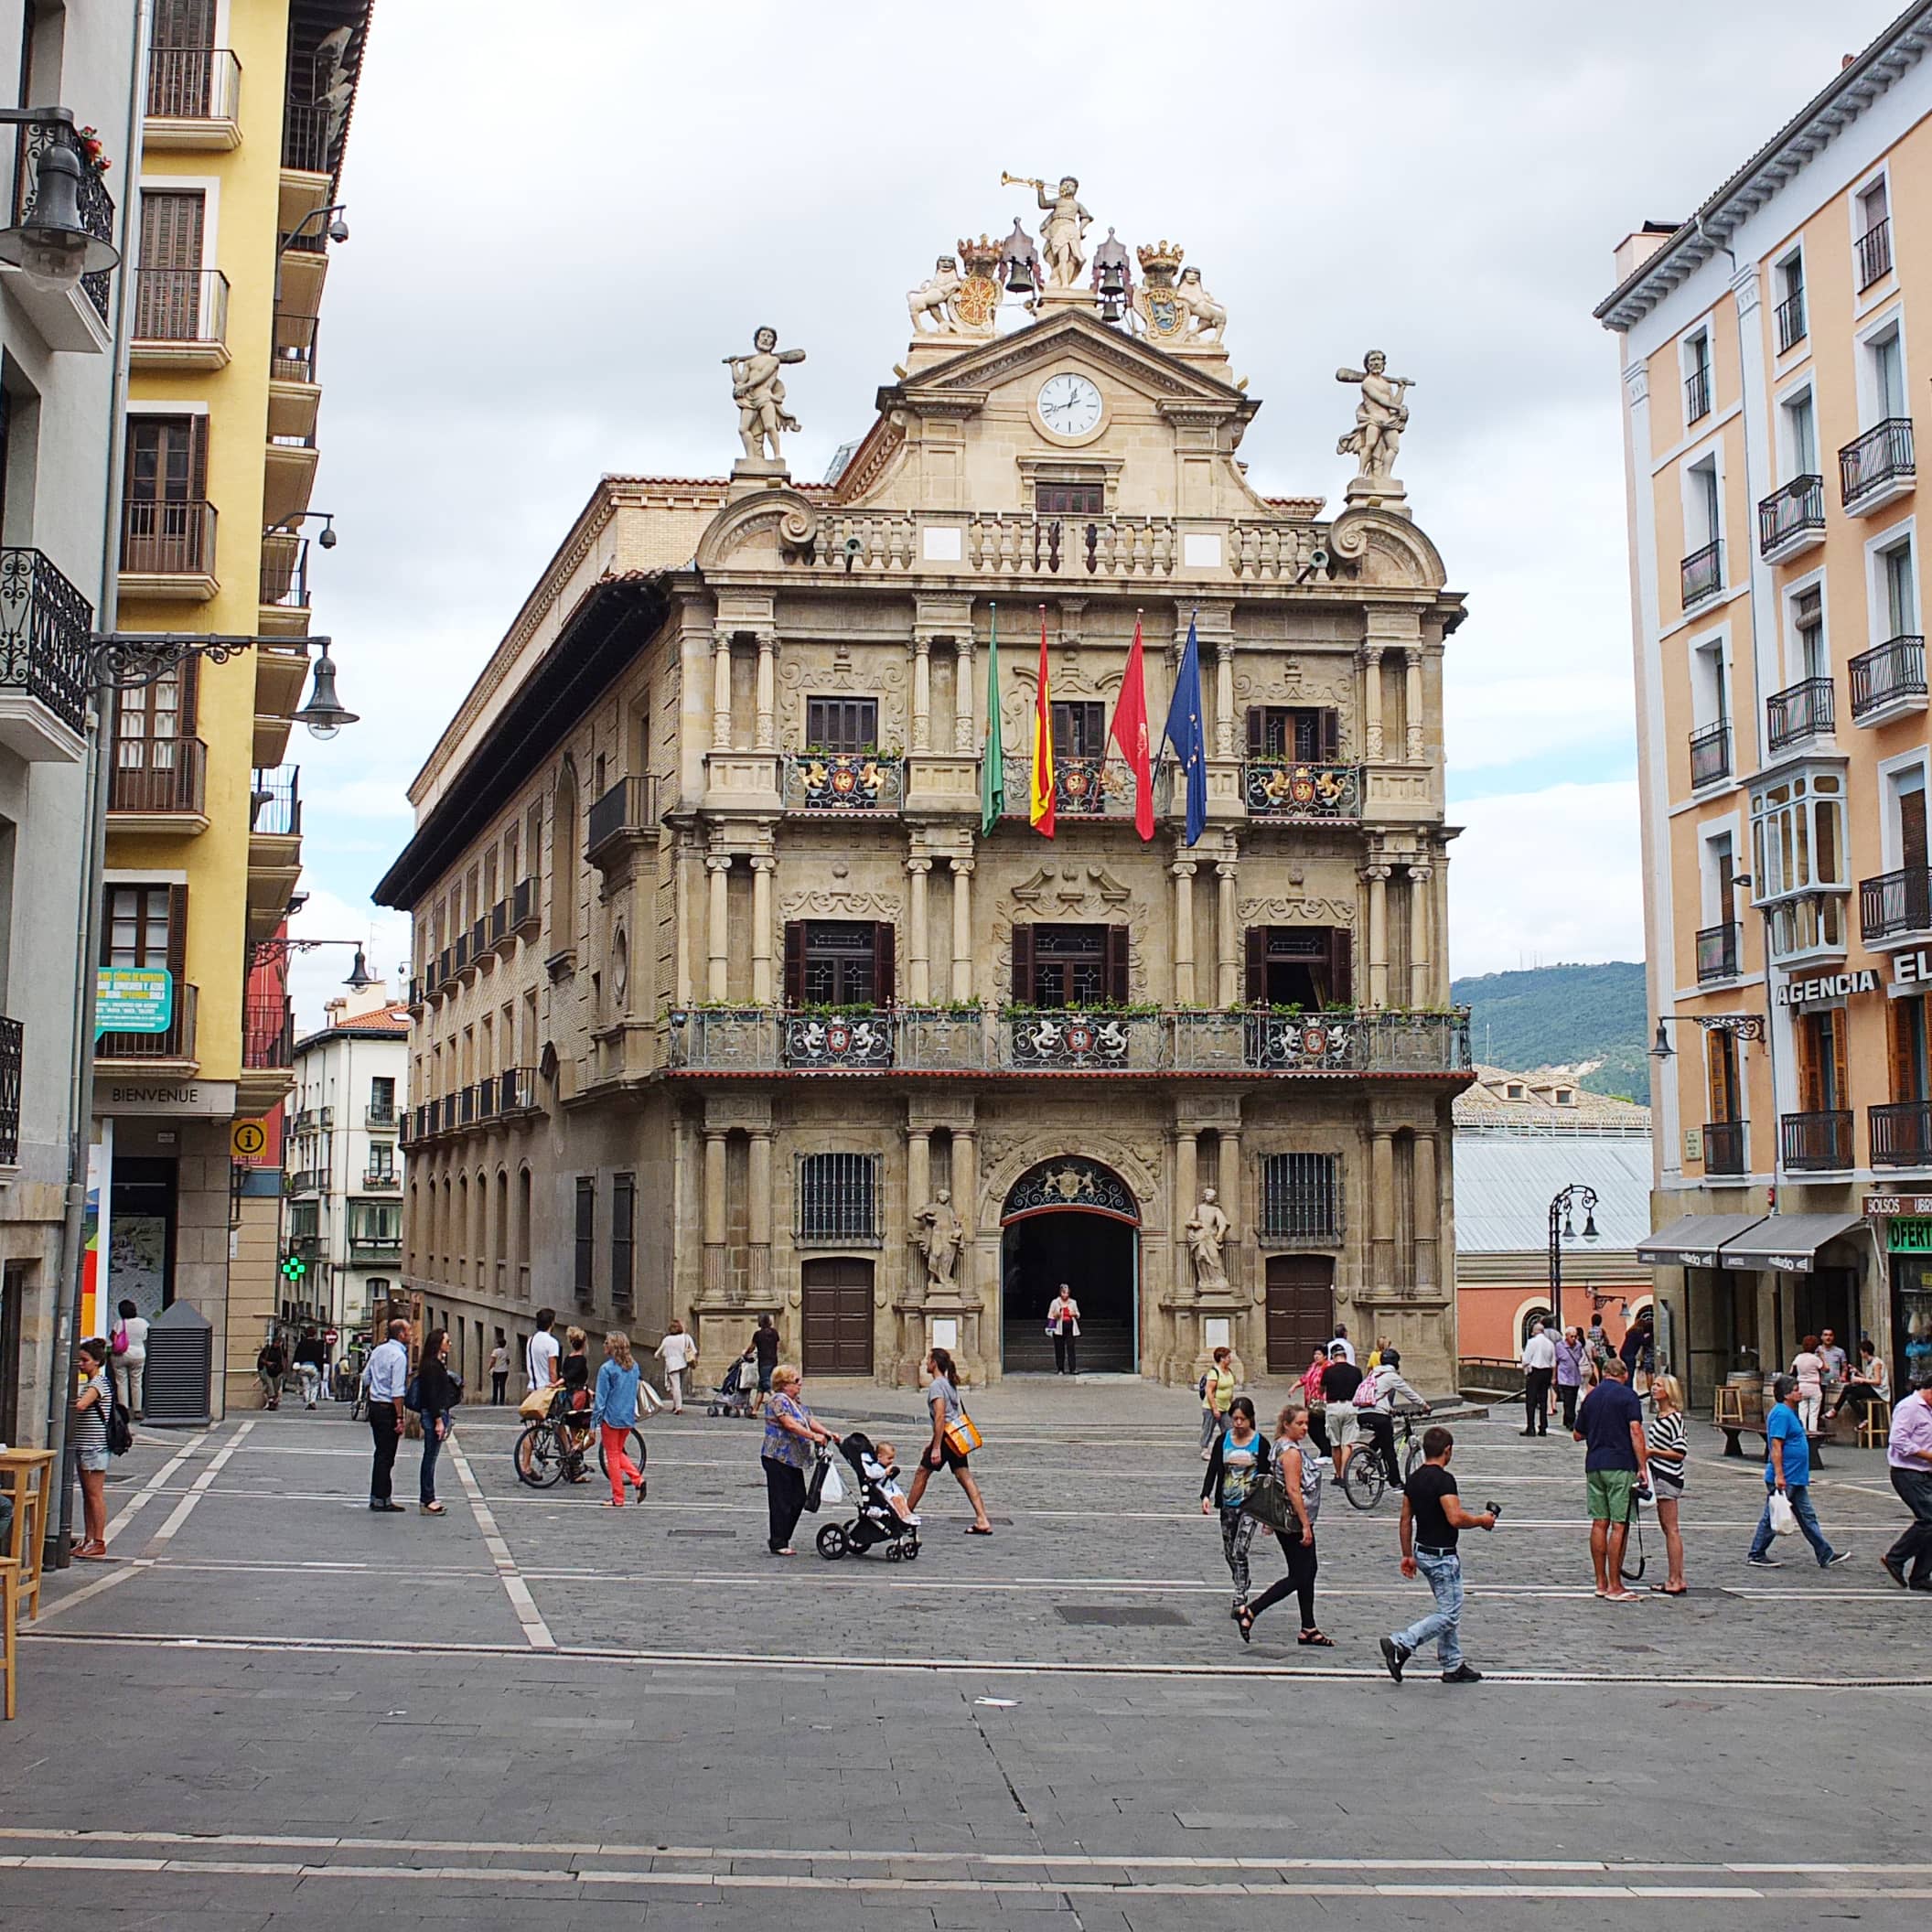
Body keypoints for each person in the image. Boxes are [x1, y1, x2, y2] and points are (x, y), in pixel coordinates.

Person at [1379, 1424, 1494, 1685]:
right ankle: (1401, 1642)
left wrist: (1407, 1554)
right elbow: (1455, 1517)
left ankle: (1452, 1664)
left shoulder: (1415, 1478)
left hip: (1422, 1550)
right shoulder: (1444, 1480)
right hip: (1442, 1555)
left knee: (1446, 1606)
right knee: (1450, 1614)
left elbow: (1405, 1519)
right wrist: (1481, 1520)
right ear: (1447, 1451)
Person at [1243, 1403, 1330, 1647]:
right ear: (1286, 1425)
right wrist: (1305, 1525)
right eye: (1299, 1424)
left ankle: (1308, 1628)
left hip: (1285, 1520)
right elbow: (1293, 1490)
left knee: (1308, 1571)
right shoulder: (1290, 1453)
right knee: (1300, 1575)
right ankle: (1251, 1611)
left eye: (1306, 1424)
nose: (1304, 1428)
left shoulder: (1279, 1445)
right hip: (1293, 1521)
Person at [1746, 1375, 1850, 1571]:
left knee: (1807, 1516)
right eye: (1796, 1389)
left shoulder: (1789, 1413)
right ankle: (1756, 1553)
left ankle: (1824, 1553)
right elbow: (1776, 1446)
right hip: (1787, 1475)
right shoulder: (1781, 1414)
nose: (1800, 1392)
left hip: (1796, 1476)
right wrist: (1779, 1475)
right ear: (1786, 1394)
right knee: (1773, 1515)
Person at [1574, 1356, 1649, 1602]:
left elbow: (1577, 1434)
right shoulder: (1628, 1397)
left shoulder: (1591, 1397)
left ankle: (1600, 1582)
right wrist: (1642, 1466)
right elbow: (1635, 1430)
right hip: (1619, 1464)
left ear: (1605, 1373)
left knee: (1599, 1523)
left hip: (1594, 1464)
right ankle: (1616, 1585)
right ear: (1624, 1375)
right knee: (1620, 1524)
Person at [906, 1346, 993, 1535]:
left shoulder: (937, 1385)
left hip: (946, 1438)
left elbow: (940, 1416)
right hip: (955, 1437)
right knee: (964, 1475)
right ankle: (982, 1519)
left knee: (922, 1472)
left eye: (929, 1360)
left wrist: (936, 1447)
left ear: (934, 1363)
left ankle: (904, 1514)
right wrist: (932, 1443)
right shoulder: (949, 1383)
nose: (927, 1363)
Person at [1200, 1395, 1271, 1618]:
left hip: (1250, 1506)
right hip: (1227, 1503)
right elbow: (1213, 1469)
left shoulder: (1261, 1443)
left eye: (1242, 1419)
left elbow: (1266, 1477)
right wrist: (1206, 1495)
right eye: (1235, 1419)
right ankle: (1242, 1579)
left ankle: (1240, 1595)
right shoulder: (1223, 1441)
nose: (1238, 1423)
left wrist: (1267, 1514)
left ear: (1250, 1419)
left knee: (1240, 1550)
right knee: (1229, 1552)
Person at [760, 1364, 833, 1555]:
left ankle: (783, 1536)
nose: (800, 1384)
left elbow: (808, 1419)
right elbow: (789, 1424)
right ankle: (778, 1541)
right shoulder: (777, 1401)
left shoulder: (795, 1401)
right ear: (784, 1384)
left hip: (792, 1459)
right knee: (781, 1500)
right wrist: (813, 1437)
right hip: (777, 1457)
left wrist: (826, 1432)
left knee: (799, 1497)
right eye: (796, 1381)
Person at [1882, 1371, 1932, 1591]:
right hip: (1907, 1472)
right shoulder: (1909, 1407)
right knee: (1929, 1518)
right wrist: (1927, 1455)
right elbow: (1898, 1440)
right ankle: (1896, 1557)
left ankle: (1921, 1576)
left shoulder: (1929, 1410)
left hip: (1926, 1472)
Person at [1358, 1347, 1428, 1493]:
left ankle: (1369, 1454)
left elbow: (1376, 1397)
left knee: (1382, 1436)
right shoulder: (1391, 1376)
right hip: (1378, 1415)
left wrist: (1391, 1410)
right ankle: (1395, 1481)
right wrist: (1424, 1405)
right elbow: (1409, 1392)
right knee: (1389, 1447)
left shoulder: (1373, 1374)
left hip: (1362, 1413)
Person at [70, 1337, 114, 1559]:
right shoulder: (90, 1383)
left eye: (84, 1360)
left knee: (94, 1494)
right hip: (84, 1444)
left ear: (96, 1362)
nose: (80, 1364)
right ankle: (88, 1539)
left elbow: (81, 1405)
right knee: (88, 1495)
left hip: (94, 1446)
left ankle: (98, 1540)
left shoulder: (98, 1384)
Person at [1646, 1372, 1690, 1596]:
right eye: (1654, 1385)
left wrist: (1652, 1452)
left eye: (1659, 1385)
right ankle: (1676, 1576)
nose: (1654, 1388)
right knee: (1668, 1528)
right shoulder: (1661, 1415)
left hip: (1667, 1475)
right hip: (1659, 1474)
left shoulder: (1673, 1418)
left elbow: (1680, 1451)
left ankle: (1675, 1578)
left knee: (1671, 1528)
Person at [594, 1330, 646, 1508]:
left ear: (613, 1347)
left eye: (607, 1343)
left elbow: (601, 1399)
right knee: (618, 1453)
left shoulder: (606, 1369)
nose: (604, 1345)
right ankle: (638, 1480)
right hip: (627, 1417)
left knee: (613, 1457)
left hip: (611, 1417)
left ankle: (618, 1497)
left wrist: (594, 1423)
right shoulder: (634, 1367)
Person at [365, 1317, 410, 1513]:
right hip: (388, 1408)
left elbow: (366, 1377)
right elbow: (397, 1391)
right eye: (409, 1331)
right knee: (387, 1455)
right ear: (401, 1334)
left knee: (380, 1453)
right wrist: (400, 1418)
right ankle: (383, 1498)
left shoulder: (378, 1351)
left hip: (375, 1406)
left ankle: (377, 1496)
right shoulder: (399, 1357)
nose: (411, 1335)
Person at [415, 1326, 460, 1518]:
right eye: (447, 1341)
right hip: (434, 1414)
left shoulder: (434, 1363)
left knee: (431, 1456)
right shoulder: (431, 1366)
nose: (449, 1344)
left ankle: (428, 1497)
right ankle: (427, 1499)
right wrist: (438, 1420)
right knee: (430, 1457)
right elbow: (432, 1395)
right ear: (438, 1344)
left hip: (438, 1413)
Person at [1320, 1343, 1364, 1484]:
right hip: (1351, 1407)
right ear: (1345, 1355)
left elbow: (1321, 1390)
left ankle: (1338, 1474)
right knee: (1348, 1444)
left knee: (1335, 1443)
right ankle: (1345, 1474)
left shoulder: (1328, 1371)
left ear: (1333, 1356)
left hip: (1333, 1407)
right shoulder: (1356, 1371)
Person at [1832, 1338, 1891, 1427]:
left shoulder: (1876, 1363)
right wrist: (1858, 1373)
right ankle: (1864, 1419)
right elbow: (1869, 1378)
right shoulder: (1869, 1363)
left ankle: (1835, 1410)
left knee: (1848, 1388)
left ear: (1865, 1352)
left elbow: (1877, 1381)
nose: (1860, 1354)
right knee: (1850, 1396)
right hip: (1873, 1388)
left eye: (1861, 1351)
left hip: (1879, 1391)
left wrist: (1861, 1380)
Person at [111, 1300, 150, 1422]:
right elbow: (146, 1337)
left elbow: (113, 1337)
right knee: (137, 1382)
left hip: (121, 1354)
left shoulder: (120, 1323)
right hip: (138, 1354)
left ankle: (124, 1410)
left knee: (121, 1382)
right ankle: (137, 1410)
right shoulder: (143, 1322)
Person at [864, 1440, 918, 1525]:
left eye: (892, 1458)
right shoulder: (876, 1467)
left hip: (889, 1486)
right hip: (881, 1488)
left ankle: (908, 1513)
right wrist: (885, 1472)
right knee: (895, 1500)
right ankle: (902, 1515)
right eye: (889, 1458)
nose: (891, 1461)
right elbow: (873, 1475)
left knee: (901, 1498)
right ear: (879, 1457)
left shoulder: (886, 1466)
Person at [1520, 1318, 1557, 1437]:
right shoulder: (1550, 1343)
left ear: (1535, 1331)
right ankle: (1543, 1427)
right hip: (1546, 1372)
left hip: (1535, 1372)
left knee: (1531, 1401)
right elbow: (1553, 1363)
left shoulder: (1532, 1342)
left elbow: (1526, 1360)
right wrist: (1552, 1377)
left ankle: (1531, 1427)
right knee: (1543, 1400)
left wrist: (1525, 1367)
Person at [1198, 1345, 1236, 1460]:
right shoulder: (1214, 1372)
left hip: (1226, 1406)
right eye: (1228, 1357)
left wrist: (1232, 1403)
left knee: (1228, 1428)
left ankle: (1228, 1448)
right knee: (1208, 1428)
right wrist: (1214, 1408)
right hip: (1211, 1407)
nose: (1230, 1359)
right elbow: (1209, 1391)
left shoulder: (1229, 1371)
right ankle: (1205, 1449)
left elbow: (1230, 1389)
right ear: (1222, 1358)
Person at [656, 1319, 698, 1412]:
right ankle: (676, 1406)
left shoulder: (667, 1339)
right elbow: (694, 1350)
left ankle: (678, 1407)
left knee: (675, 1386)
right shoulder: (686, 1337)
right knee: (680, 1386)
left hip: (672, 1365)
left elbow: (658, 1353)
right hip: (684, 1363)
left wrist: (658, 1357)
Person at [745, 1315, 780, 1416]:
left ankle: (779, 1403)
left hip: (764, 1362)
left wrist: (745, 1353)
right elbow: (777, 1346)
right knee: (761, 1387)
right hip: (773, 1361)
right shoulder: (774, 1333)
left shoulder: (758, 1334)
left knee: (766, 1385)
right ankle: (754, 1410)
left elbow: (752, 1347)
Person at [1791, 1336, 1826, 1440]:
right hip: (1814, 1386)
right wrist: (1822, 1357)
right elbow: (1826, 1369)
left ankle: (1802, 1433)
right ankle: (1812, 1434)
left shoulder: (1799, 1357)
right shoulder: (1815, 1359)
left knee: (1802, 1411)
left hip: (1802, 1385)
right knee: (1813, 1413)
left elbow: (1791, 1371)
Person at [1553, 1324, 1586, 1432]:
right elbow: (1556, 1362)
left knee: (1572, 1399)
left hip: (1575, 1376)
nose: (1574, 1339)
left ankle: (1567, 1418)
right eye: (1571, 1336)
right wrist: (1554, 1377)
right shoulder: (1559, 1346)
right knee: (1568, 1399)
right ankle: (1571, 1421)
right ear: (1566, 1336)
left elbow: (1580, 1357)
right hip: (1564, 1377)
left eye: (1575, 1336)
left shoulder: (1579, 1346)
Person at [1046, 1285, 1080, 1376]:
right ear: (1060, 1293)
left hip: (1070, 1328)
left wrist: (1075, 1314)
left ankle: (1073, 1368)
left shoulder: (1073, 1302)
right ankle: (1060, 1369)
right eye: (1063, 1293)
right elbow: (1050, 1315)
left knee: (1071, 1349)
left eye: (1067, 1293)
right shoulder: (1055, 1302)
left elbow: (1078, 1314)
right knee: (1059, 1349)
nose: (1065, 1295)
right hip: (1059, 1328)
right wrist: (1056, 1315)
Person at [526, 1307, 560, 1395]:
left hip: (532, 1387)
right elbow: (552, 1371)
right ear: (552, 1323)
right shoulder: (552, 1342)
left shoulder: (531, 1340)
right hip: (545, 1390)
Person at [292, 1327, 326, 1410]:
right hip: (314, 1367)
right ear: (314, 1334)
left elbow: (296, 1355)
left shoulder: (301, 1344)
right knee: (315, 1385)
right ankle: (312, 1401)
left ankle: (307, 1400)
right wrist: (321, 1370)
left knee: (306, 1385)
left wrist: (295, 1367)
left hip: (303, 1367)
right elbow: (320, 1358)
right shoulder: (318, 1344)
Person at [255, 1336, 286, 1410]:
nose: (277, 1344)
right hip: (267, 1370)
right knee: (270, 1386)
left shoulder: (281, 1350)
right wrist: (267, 1363)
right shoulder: (267, 1349)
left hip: (278, 1371)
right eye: (276, 1343)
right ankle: (271, 1402)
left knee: (276, 1387)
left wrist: (283, 1369)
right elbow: (261, 1359)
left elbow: (284, 1360)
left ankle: (274, 1402)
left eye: (279, 1343)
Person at [488, 1330, 510, 1406]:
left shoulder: (495, 1351)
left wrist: (490, 1367)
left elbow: (492, 1360)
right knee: (502, 1386)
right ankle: (502, 1401)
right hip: (504, 1370)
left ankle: (494, 1401)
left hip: (496, 1370)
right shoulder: (506, 1351)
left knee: (495, 1385)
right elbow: (508, 1361)